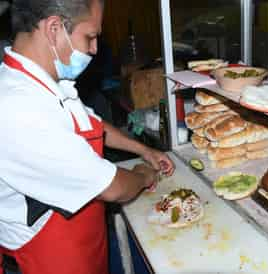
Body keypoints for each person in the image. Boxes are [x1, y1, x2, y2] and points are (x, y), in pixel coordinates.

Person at [0, 1, 175, 274]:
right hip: (47, 261)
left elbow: (92, 124)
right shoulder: (17, 108)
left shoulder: (44, 83)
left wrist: (143, 150)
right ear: (54, 29)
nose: (94, 49)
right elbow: (114, 187)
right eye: (90, 37)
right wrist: (144, 175)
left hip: (82, 248)